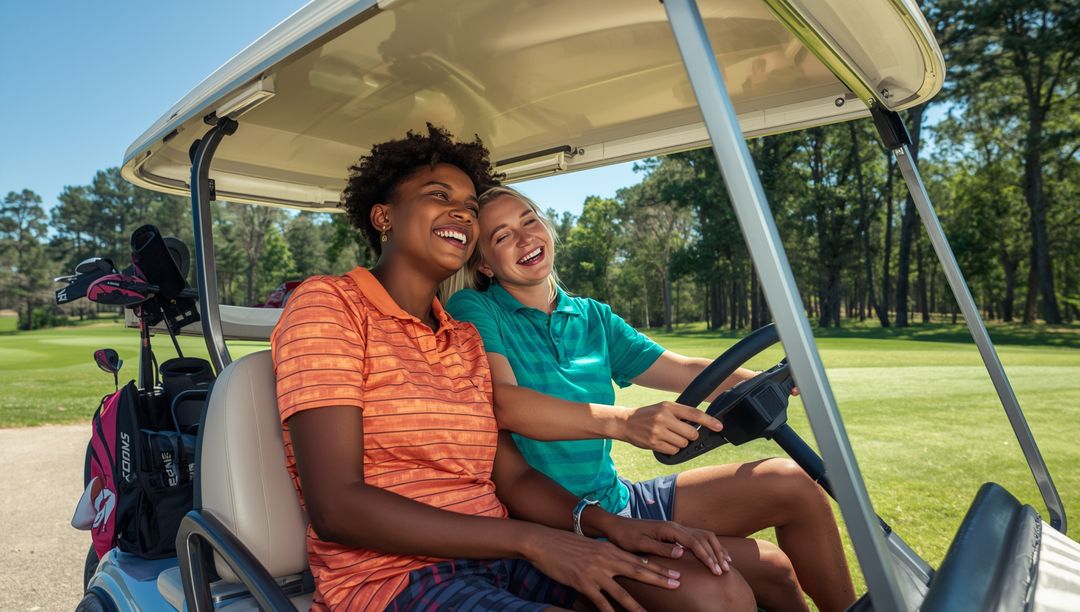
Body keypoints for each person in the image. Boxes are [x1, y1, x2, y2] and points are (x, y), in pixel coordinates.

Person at [271, 125, 756, 612]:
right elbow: (337, 506)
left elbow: (514, 478)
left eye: (468, 205)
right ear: (383, 216)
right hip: (396, 578)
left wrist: (611, 526)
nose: (462, 211)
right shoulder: (331, 305)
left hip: (501, 556)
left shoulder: (461, 337)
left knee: (716, 592)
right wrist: (530, 541)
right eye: (439, 195)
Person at [444, 186, 857, 612]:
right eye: (502, 236)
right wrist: (625, 422)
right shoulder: (475, 309)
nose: (525, 238)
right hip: (558, 525)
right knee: (720, 590)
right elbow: (506, 404)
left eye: (529, 220)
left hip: (617, 500)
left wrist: (771, 377)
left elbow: (681, 370)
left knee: (790, 492)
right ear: (485, 265)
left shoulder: (593, 318)